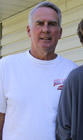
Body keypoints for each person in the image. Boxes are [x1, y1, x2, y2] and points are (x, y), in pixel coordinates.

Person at [0, 1, 77, 140]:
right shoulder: (6, 67)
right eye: (39, 23)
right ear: (29, 30)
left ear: (60, 32)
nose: (45, 29)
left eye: (52, 24)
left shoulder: (72, 71)